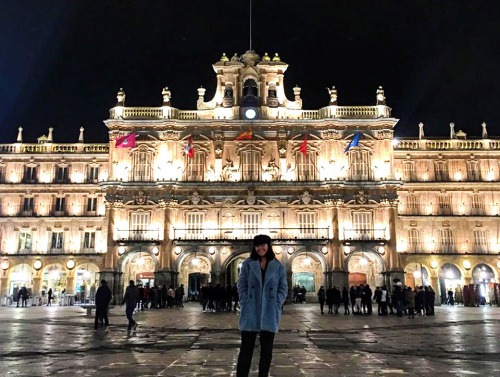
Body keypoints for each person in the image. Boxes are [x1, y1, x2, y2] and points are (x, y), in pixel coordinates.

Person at [236, 234, 287, 377]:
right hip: (251, 310)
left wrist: (277, 303)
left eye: (263, 245)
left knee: (266, 351)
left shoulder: (278, 266)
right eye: (257, 245)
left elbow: (283, 288)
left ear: (268, 246)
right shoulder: (247, 264)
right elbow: (242, 285)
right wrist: (245, 300)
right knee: (246, 350)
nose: (260, 248)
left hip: (270, 311)